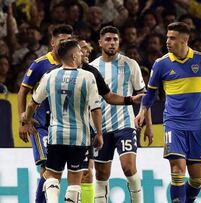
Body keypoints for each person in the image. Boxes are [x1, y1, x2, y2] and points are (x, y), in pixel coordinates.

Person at [135, 22, 201, 203]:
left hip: (197, 127)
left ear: (185, 40)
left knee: (197, 179)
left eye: (172, 38)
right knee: (177, 170)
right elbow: (150, 92)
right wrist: (142, 112)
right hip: (174, 124)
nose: (167, 41)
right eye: (167, 37)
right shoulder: (161, 64)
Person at [21, 39, 103, 203]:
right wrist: (99, 133)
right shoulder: (87, 76)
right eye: (79, 52)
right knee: (74, 180)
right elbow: (95, 109)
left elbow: (32, 104)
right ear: (73, 56)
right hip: (79, 137)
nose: (82, 54)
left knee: (52, 176)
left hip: (56, 135)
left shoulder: (50, 76)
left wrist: (27, 119)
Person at [90, 26, 153, 203]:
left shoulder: (130, 64)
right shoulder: (92, 68)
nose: (112, 43)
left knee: (128, 167)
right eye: (108, 39)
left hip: (125, 124)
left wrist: (148, 125)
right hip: (100, 128)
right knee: (101, 174)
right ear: (100, 42)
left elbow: (143, 96)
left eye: (115, 39)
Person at [78, 39, 145, 203]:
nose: (85, 53)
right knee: (86, 174)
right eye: (81, 50)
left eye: (87, 49)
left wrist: (132, 101)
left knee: (128, 168)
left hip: (122, 125)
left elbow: (108, 96)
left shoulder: (92, 70)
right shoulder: (59, 72)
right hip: (86, 128)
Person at [17, 24, 73, 203]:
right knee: (48, 171)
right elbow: (22, 91)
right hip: (40, 126)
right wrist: (23, 121)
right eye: (61, 41)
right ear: (52, 43)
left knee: (54, 173)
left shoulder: (73, 65)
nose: (65, 44)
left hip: (62, 126)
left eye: (69, 41)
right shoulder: (41, 64)